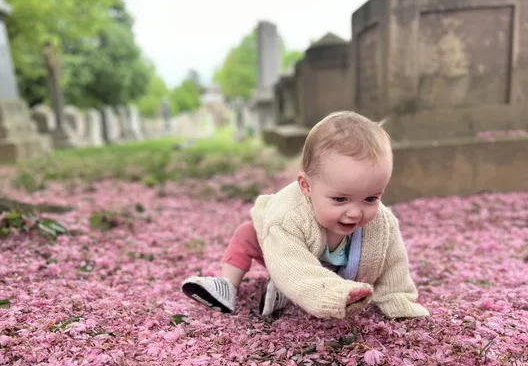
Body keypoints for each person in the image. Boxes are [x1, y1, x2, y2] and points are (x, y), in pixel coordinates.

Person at [182, 111, 430, 320]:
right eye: (340, 199)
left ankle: (283, 290)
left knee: (376, 243)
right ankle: (228, 284)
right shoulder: (288, 217)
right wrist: (333, 293)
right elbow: (291, 263)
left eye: (371, 198)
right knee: (246, 234)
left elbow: (394, 262)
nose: (355, 212)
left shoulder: (381, 223)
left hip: (326, 269)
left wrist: (398, 301)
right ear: (306, 186)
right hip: (280, 251)